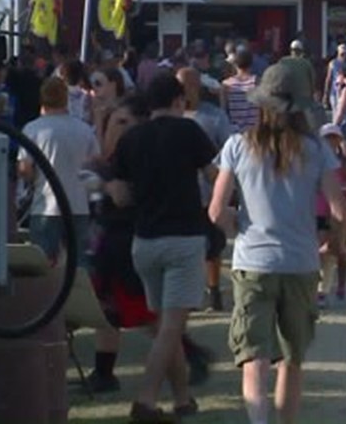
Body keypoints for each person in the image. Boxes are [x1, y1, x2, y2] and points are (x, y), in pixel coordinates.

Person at [209, 63, 346, 424]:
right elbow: (339, 208)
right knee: (293, 359)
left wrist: (236, 225)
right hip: (301, 261)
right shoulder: (316, 148)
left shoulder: (238, 146)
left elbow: (215, 211)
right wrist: (334, 242)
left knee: (253, 360)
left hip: (253, 261)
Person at [109, 73, 219, 421]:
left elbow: (120, 193)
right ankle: (146, 400)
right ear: (178, 101)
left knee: (165, 326)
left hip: (145, 240)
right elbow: (214, 176)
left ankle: (183, 399)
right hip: (183, 238)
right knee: (172, 326)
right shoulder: (188, 131)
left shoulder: (132, 139)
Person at [18, 77, 100, 265]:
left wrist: (32, 180)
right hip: (79, 206)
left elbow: (24, 169)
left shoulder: (33, 129)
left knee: (42, 266)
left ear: (42, 99)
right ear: (66, 99)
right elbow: (95, 162)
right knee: (79, 266)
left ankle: (48, 295)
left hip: (45, 206)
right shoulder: (84, 129)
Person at [177, 67, 236, 313]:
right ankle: (187, 294)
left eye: (188, 85)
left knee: (212, 247)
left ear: (197, 86)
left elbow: (228, 148)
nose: (184, 90)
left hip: (208, 193)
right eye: (180, 85)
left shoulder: (214, 116)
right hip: (178, 195)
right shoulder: (170, 116)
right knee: (183, 248)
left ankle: (214, 292)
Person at [317, 123, 346, 306]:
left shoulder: (344, 161)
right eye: (327, 138)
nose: (330, 142)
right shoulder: (314, 160)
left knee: (340, 251)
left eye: (333, 138)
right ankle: (321, 291)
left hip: (341, 211)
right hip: (320, 209)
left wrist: (343, 189)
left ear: (339, 140)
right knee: (323, 250)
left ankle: (340, 286)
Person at [222, 46, 261, 132]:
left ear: (234, 63)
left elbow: (223, 111)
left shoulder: (226, 84)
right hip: (254, 132)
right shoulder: (257, 82)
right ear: (251, 62)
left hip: (236, 131)